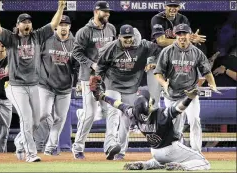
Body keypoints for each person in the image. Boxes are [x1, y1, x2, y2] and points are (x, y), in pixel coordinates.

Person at [0, 0, 66, 162]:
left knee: (37, 120)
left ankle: (19, 141)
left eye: (29, 22)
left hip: (33, 85)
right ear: (18, 25)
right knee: (26, 119)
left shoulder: (37, 36)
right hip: (17, 86)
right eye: (24, 22)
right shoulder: (11, 39)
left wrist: (60, 7)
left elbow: (53, 24)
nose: (27, 24)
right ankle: (31, 154)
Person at [89, 75, 211, 171]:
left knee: (160, 162)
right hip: (172, 148)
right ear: (149, 105)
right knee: (204, 163)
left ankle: (146, 165)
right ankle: (183, 167)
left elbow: (118, 104)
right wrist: (189, 98)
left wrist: (102, 96)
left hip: (155, 152)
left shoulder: (134, 113)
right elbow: (179, 108)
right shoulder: (161, 114)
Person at [96, 24, 161, 160]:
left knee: (128, 118)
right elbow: (100, 66)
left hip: (131, 87)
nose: (128, 40)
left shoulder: (143, 45)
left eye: (130, 37)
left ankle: (120, 151)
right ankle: (110, 146)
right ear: (119, 37)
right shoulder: (111, 47)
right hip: (113, 84)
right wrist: (98, 80)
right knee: (113, 112)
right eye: (125, 37)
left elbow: (160, 50)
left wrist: (153, 61)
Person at [153, 24, 218, 152]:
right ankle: (177, 151)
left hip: (190, 94)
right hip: (171, 94)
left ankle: (196, 152)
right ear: (175, 35)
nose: (182, 37)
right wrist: (163, 83)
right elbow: (158, 73)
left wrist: (213, 83)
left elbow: (207, 72)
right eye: (179, 34)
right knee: (175, 125)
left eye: (184, 34)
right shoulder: (167, 51)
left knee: (195, 121)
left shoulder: (197, 52)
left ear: (190, 35)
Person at [72, 1, 116, 159]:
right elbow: (76, 52)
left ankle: (110, 146)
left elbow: (114, 50)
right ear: (96, 12)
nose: (108, 14)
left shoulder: (111, 28)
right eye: (105, 11)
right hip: (88, 77)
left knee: (110, 111)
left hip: (107, 77)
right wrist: (92, 64)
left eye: (108, 12)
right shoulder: (85, 31)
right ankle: (77, 147)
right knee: (90, 114)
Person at [34, 15, 78, 155]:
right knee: (43, 113)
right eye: (61, 24)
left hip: (64, 88)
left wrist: (77, 83)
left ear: (69, 27)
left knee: (59, 119)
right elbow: (35, 58)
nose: (63, 27)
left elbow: (77, 66)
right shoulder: (47, 39)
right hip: (45, 85)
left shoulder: (75, 43)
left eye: (66, 24)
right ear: (56, 26)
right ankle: (22, 137)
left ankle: (50, 148)